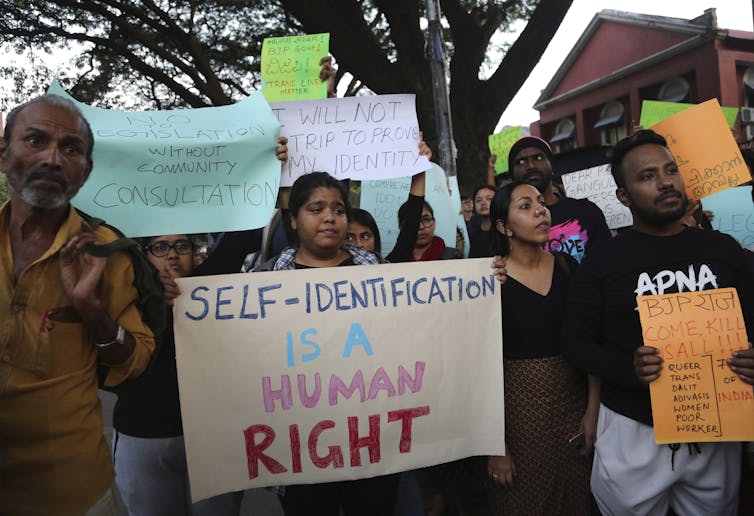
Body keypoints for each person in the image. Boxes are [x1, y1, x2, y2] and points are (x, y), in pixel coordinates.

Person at [562, 129, 754, 515]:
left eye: (670, 170)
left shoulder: (723, 250)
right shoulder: (603, 261)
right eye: (647, 176)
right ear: (624, 196)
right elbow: (575, 342)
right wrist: (627, 368)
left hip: (716, 429)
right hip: (633, 430)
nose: (665, 182)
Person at [0, 94, 155, 514]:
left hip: (72, 490)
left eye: (71, 149)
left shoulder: (107, 253)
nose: (52, 159)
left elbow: (136, 359)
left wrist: (90, 309)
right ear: (3, 154)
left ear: (85, 173)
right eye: (35, 140)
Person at [254, 172, 398, 516]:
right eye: (316, 209)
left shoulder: (377, 269)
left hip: (370, 441)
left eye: (338, 210)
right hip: (301, 448)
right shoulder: (264, 280)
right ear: (294, 219)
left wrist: (488, 277)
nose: (330, 218)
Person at [112, 234, 245, 515]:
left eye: (181, 246)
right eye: (160, 247)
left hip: (212, 442)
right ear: (144, 254)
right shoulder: (124, 297)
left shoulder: (215, 288)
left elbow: (243, 236)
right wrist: (150, 301)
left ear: (195, 253)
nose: (172, 255)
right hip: (144, 437)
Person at [486, 181, 596, 515]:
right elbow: (480, 366)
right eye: (524, 206)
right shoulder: (491, 280)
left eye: (540, 203)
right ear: (504, 227)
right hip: (518, 418)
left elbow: (590, 342)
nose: (540, 210)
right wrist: (495, 445)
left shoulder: (568, 267)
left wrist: (592, 411)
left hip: (572, 408)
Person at [508, 136, 611, 263]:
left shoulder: (586, 211)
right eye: (521, 162)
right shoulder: (509, 225)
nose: (531, 165)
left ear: (551, 166)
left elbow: (608, 261)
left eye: (538, 158)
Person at [468, 184, 497, 258]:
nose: (483, 203)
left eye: (489, 199)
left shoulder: (507, 231)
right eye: (478, 200)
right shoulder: (471, 233)